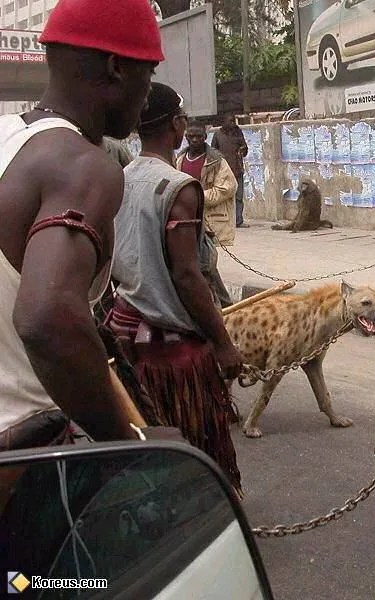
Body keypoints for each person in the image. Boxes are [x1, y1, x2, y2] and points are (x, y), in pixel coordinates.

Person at [0, 0, 166, 451]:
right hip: (24, 453)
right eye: (147, 74)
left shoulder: (7, 138)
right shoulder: (83, 166)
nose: (148, 93)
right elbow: (46, 318)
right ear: (115, 68)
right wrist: (126, 441)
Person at [108, 83, 245, 496]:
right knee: (195, 445)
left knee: (147, 447)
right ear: (177, 124)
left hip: (125, 336)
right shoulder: (178, 187)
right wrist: (222, 343)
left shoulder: (121, 177)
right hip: (172, 354)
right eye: (185, 119)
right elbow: (187, 275)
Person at [176, 120, 236, 308]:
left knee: (206, 264)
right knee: (199, 266)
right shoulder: (180, 159)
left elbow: (228, 188)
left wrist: (197, 196)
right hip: (185, 221)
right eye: (191, 136)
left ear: (205, 137)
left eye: (199, 136)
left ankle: (224, 306)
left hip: (208, 221)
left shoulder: (216, 160)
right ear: (186, 137)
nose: (195, 140)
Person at [212, 113, 250, 228]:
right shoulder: (218, 134)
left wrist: (242, 150)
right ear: (224, 122)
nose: (233, 123)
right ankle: (226, 220)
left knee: (238, 196)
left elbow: (245, 149)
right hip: (223, 171)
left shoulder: (237, 132)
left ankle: (238, 220)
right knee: (225, 197)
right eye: (230, 121)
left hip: (237, 169)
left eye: (234, 121)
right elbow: (213, 150)